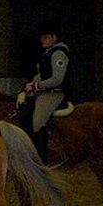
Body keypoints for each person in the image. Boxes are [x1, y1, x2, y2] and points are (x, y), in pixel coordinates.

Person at [21, 21, 71, 163]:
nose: (42, 40)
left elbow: (57, 79)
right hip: (44, 90)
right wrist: (29, 85)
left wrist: (36, 86)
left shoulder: (59, 53)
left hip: (55, 93)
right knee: (22, 105)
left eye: (45, 37)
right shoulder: (47, 53)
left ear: (54, 38)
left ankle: (42, 162)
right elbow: (42, 74)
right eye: (42, 37)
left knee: (37, 122)